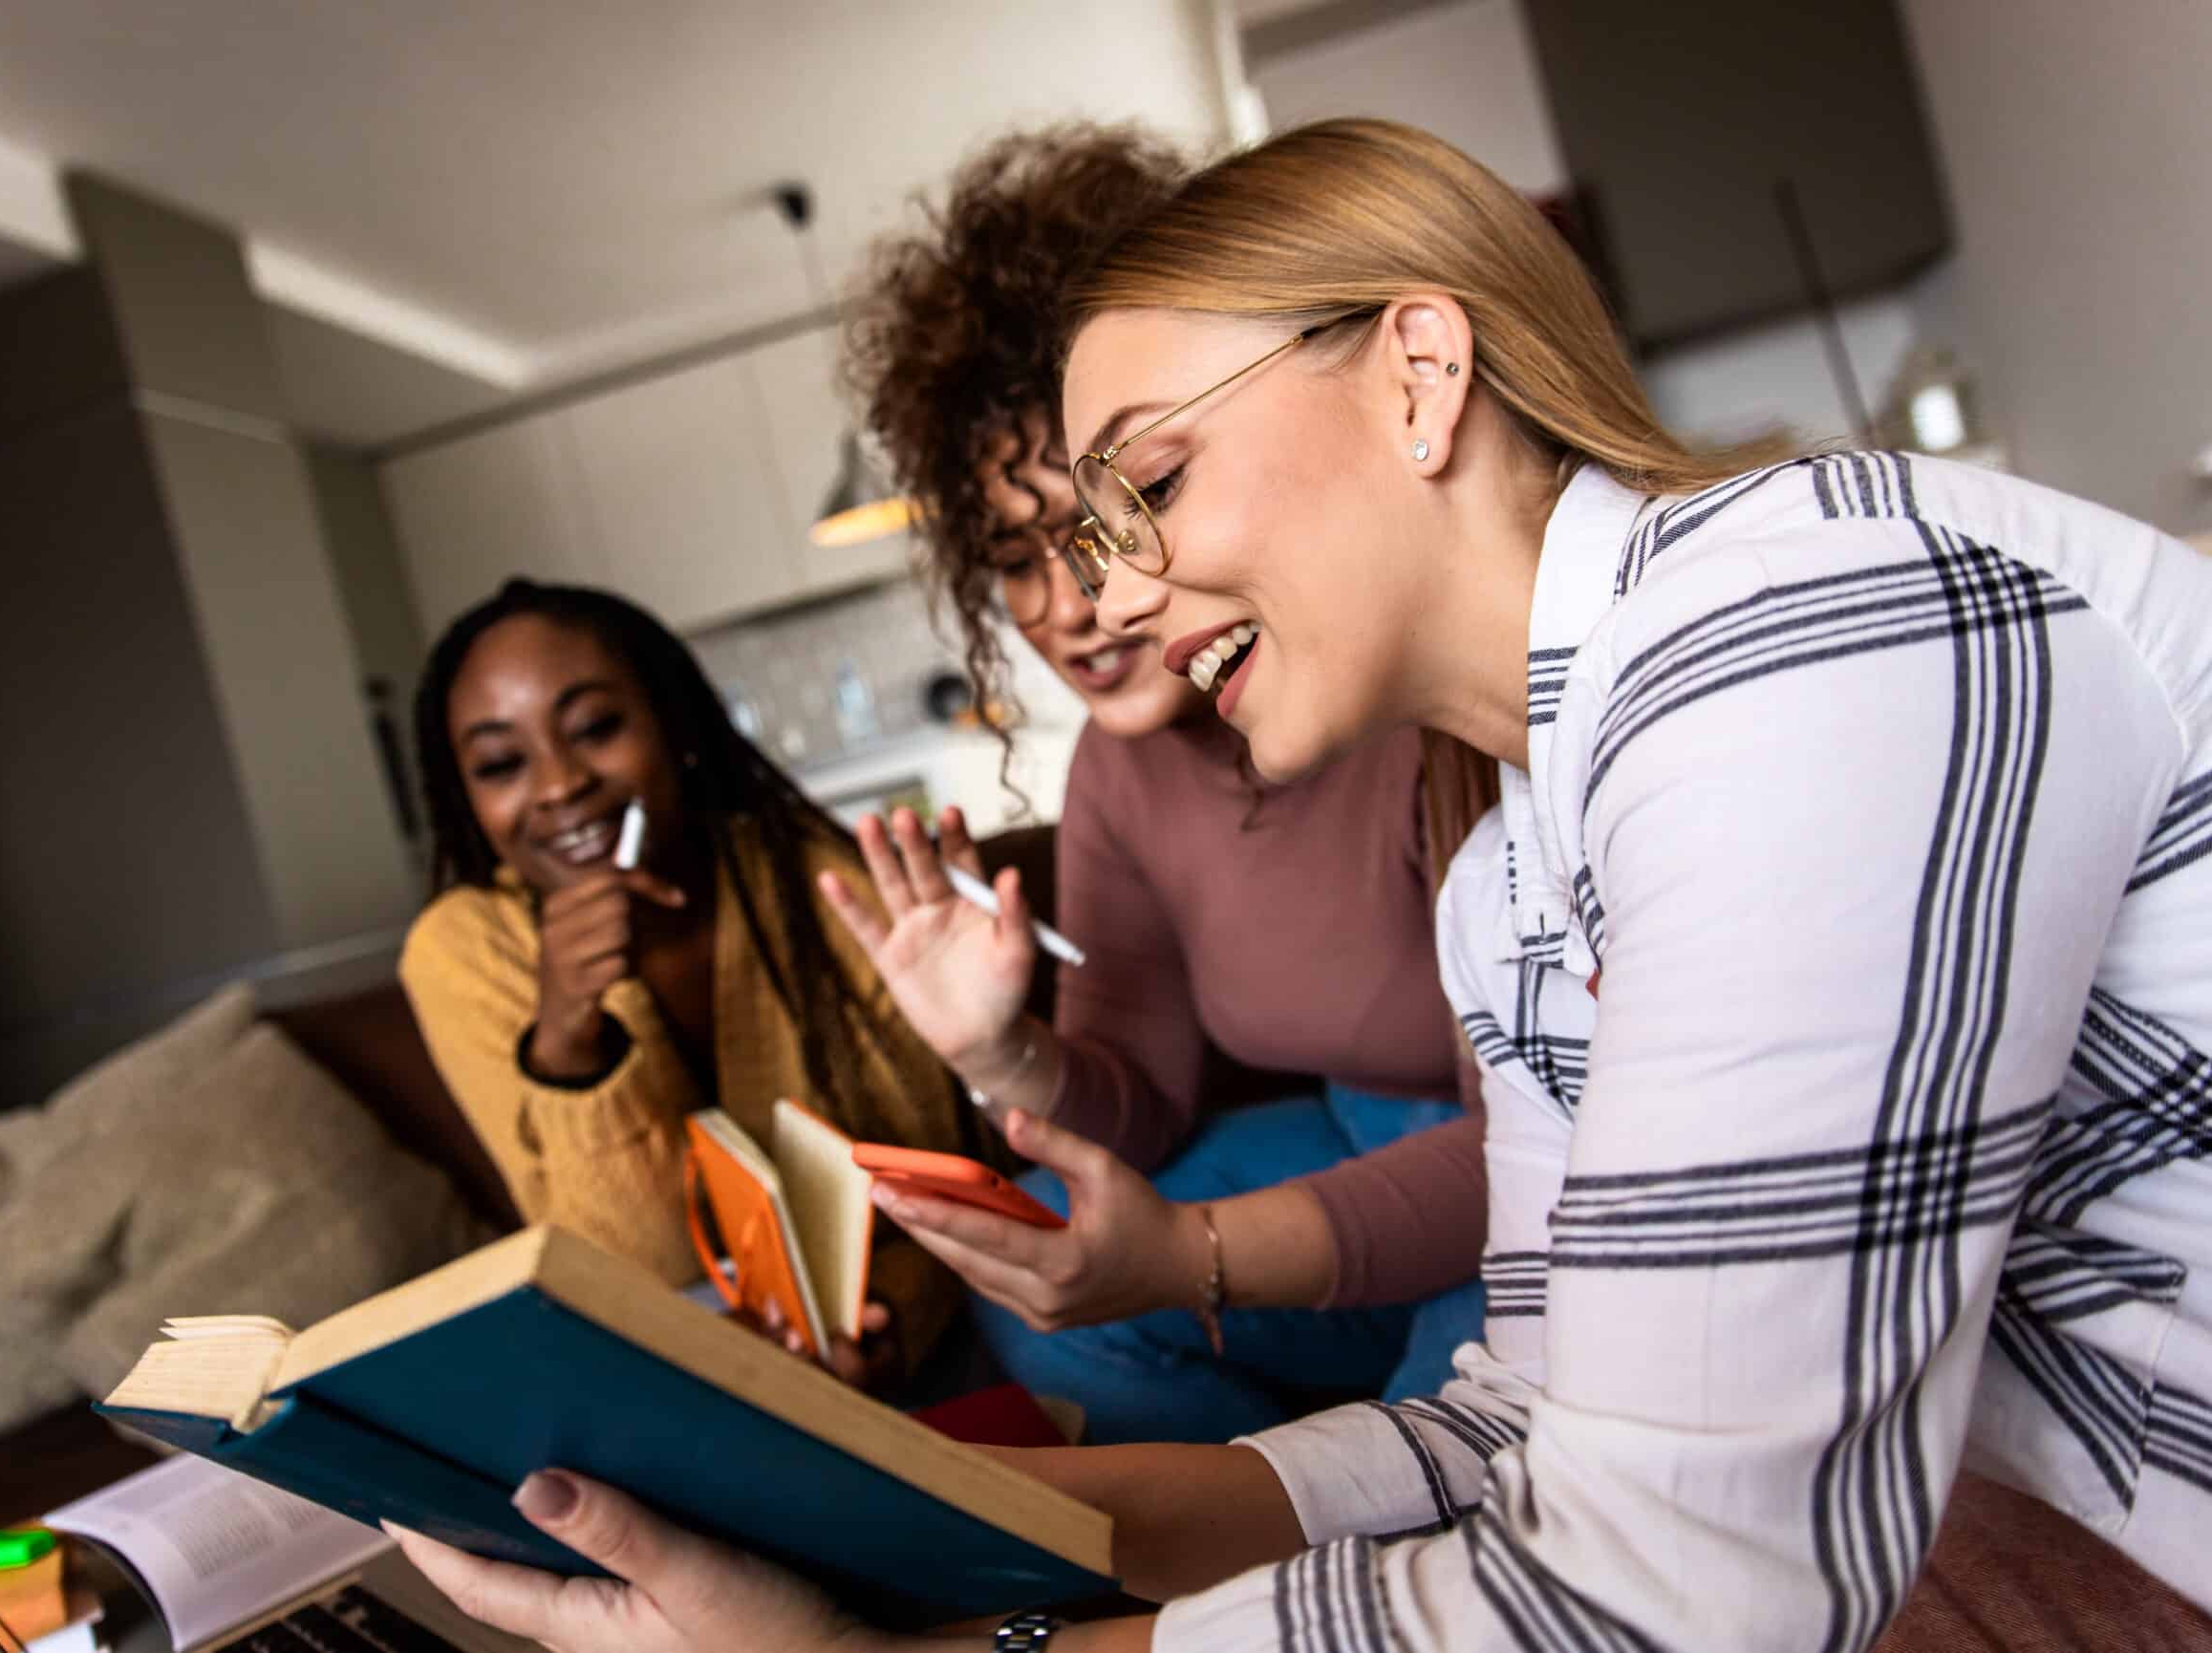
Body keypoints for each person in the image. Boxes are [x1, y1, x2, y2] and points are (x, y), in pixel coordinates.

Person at [388, 119, 2212, 1651]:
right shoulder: (1514, 870)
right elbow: (1523, 1424)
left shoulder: (1802, 638)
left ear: (1422, 373)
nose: (1113, 595)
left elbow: (1676, 1592)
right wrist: (941, 1517)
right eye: (1070, 544)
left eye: (1149, 485)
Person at [827, 124, 1491, 1445]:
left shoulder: (1417, 682)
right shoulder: (1119, 770)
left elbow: (1542, 1147)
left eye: (1129, 503)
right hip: (1349, 1141)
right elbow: (1140, 1092)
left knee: (1459, 1434)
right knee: (1041, 1292)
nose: (1086, 599)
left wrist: (1194, 1252)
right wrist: (998, 1048)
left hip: (1510, 1158)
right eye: (1018, 554)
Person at [399, 578, 988, 1389]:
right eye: (501, 763)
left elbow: (941, 1174)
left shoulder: (821, 885)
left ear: (674, 726)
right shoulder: (462, 951)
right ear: (468, 801)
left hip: (914, 1347)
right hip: (664, 1383)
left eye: (596, 728)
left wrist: (881, 1320)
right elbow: (642, 1270)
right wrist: (569, 1036)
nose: (560, 784)